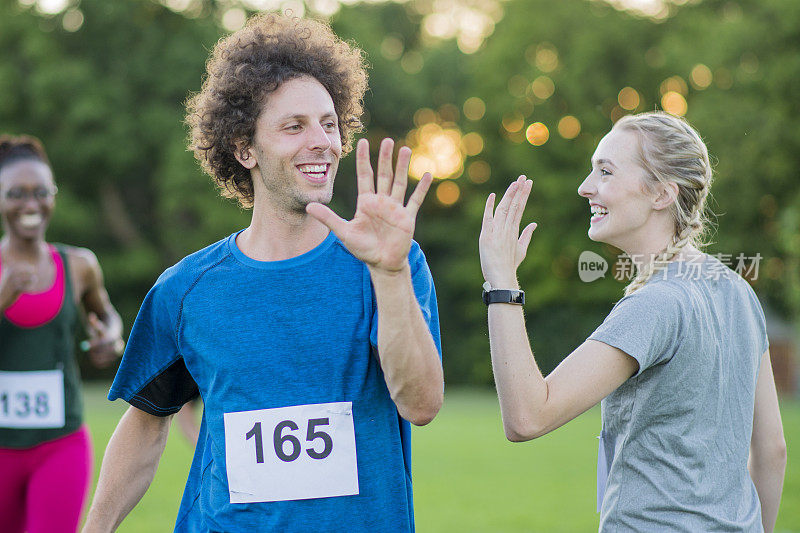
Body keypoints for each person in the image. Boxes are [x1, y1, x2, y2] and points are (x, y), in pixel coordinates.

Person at [82, 13, 443, 533]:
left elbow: (422, 404)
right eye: (294, 126)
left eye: (328, 122)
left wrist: (387, 275)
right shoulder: (185, 290)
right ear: (244, 148)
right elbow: (145, 422)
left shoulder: (393, 261)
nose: (320, 140)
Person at [479, 111, 787, 532]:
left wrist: (501, 283)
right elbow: (772, 450)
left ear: (662, 194)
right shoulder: (737, 290)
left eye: (605, 172)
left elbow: (527, 417)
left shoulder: (655, 304)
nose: (585, 188)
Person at [0, 134, 124, 533]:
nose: (31, 204)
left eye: (41, 192)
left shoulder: (80, 265)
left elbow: (107, 316)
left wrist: (110, 337)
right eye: (17, 193)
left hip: (61, 443)